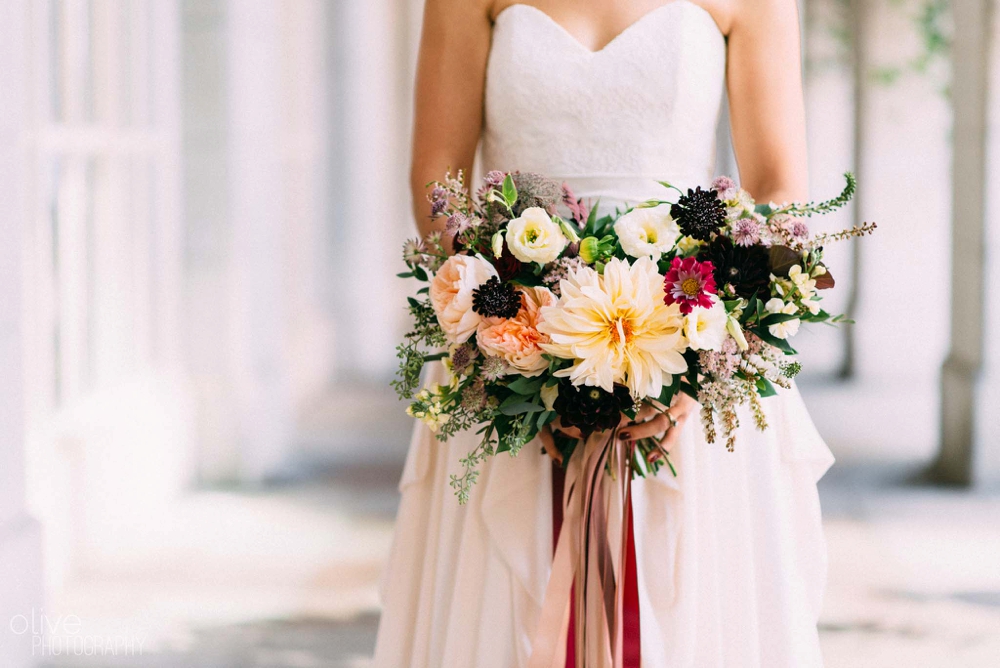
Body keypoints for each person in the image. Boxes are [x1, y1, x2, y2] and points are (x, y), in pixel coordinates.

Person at [374, 1, 835, 666]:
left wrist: (702, 359)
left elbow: (776, 187)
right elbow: (439, 172)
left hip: (695, 349)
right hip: (506, 344)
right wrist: (509, 336)